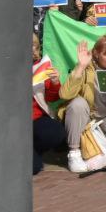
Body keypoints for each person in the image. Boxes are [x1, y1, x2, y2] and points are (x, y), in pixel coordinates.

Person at [60, 35, 106, 173]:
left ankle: (95, 150)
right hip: (85, 117)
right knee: (77, 103)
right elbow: (65, 95)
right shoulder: (87, 66)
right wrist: (81, 66)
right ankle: (74, 152)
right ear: (96, 54)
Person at [31, 35, 66, 175]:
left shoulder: (41, 66)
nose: (32, 48)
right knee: (33, 168)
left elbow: (52, 98)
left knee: (55, 132)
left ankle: (34, 149)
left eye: (34, 45)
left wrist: (55, 82)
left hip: (36, 119)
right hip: (11, 123)